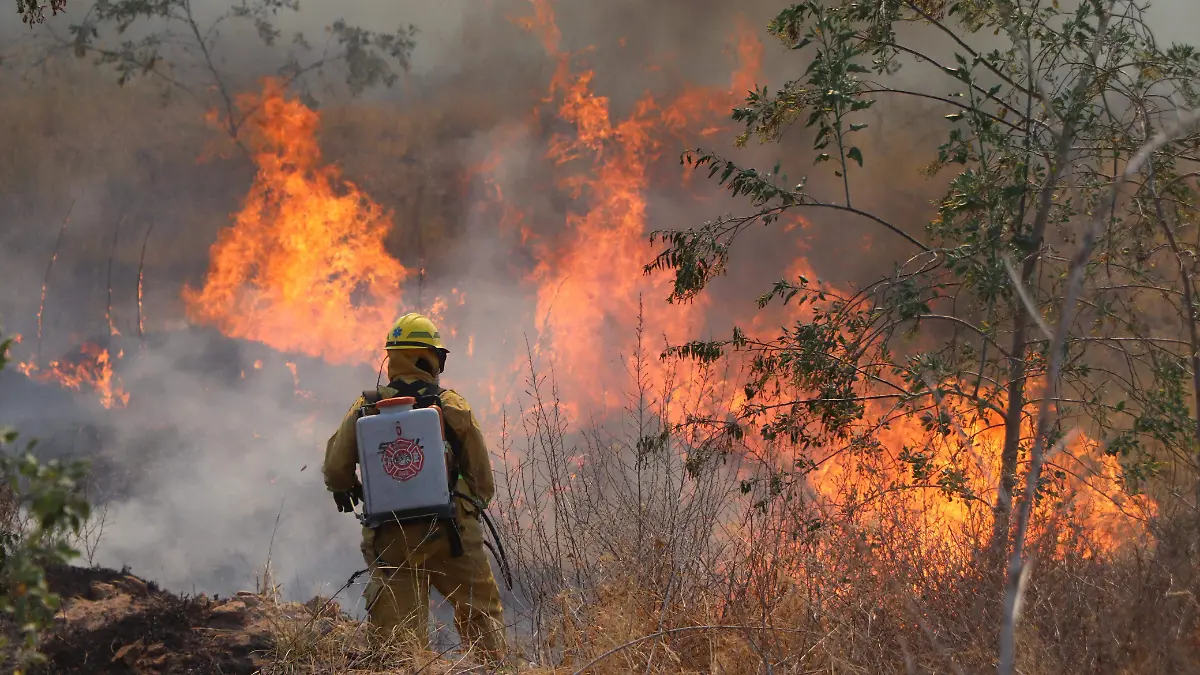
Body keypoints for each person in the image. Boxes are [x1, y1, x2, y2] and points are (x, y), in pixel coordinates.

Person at [322, 312, 507, 662]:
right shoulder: (452, 406)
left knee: (398, 643)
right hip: (452, 532)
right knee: (481, 616)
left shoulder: (365, 407)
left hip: (391, 538)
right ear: (429, 357)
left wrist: (353, 489)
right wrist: (463, 507)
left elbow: (335, 470)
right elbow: (482, 482)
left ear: (393, 358)